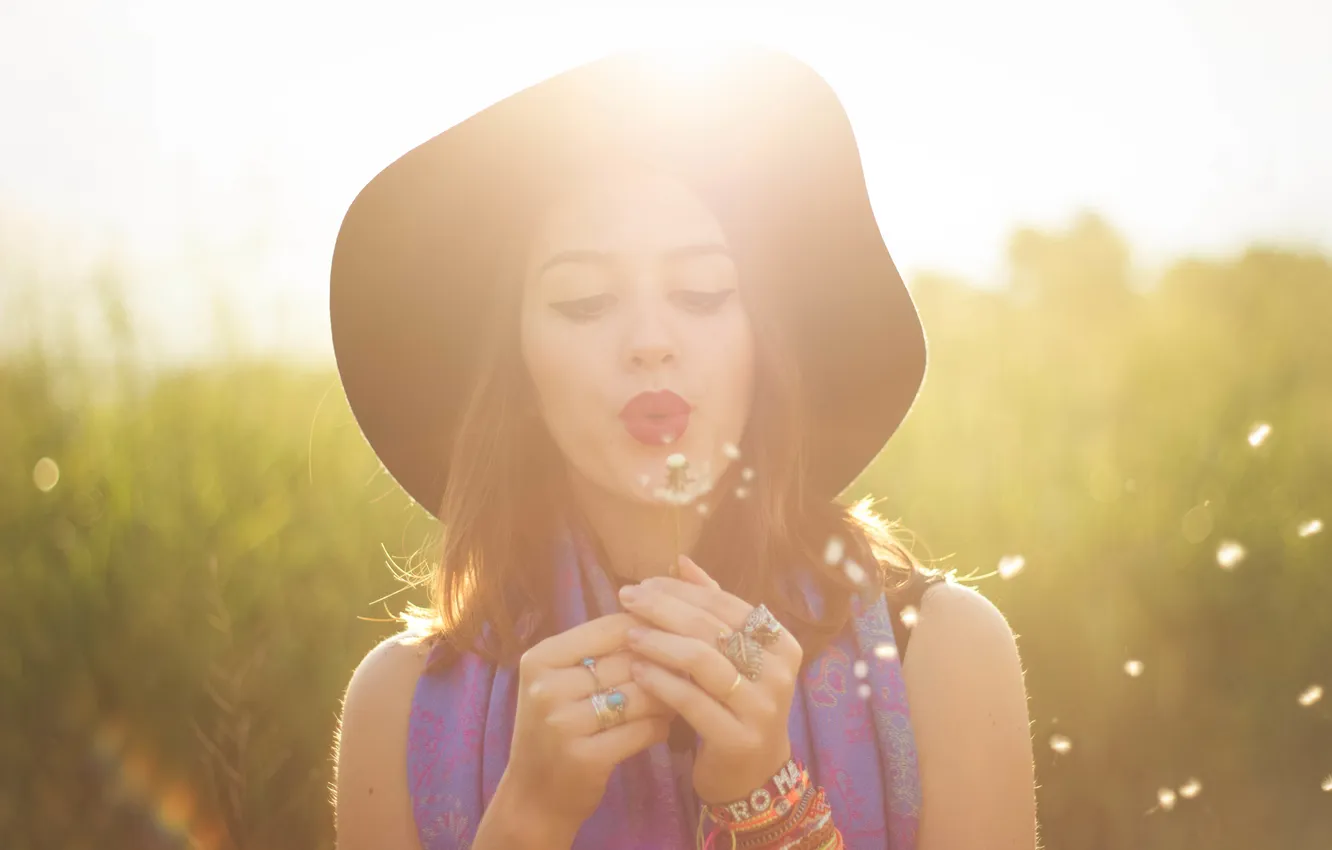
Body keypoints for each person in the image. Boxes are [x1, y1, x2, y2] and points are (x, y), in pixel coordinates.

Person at [330, 45, 1036, 850]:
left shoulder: (939, 655)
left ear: (764, 342)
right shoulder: (399, 704)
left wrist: (767, 800)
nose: (650, 341)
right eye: (584, 300)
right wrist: (528, 817)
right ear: (517, 368)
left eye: (702, 292)